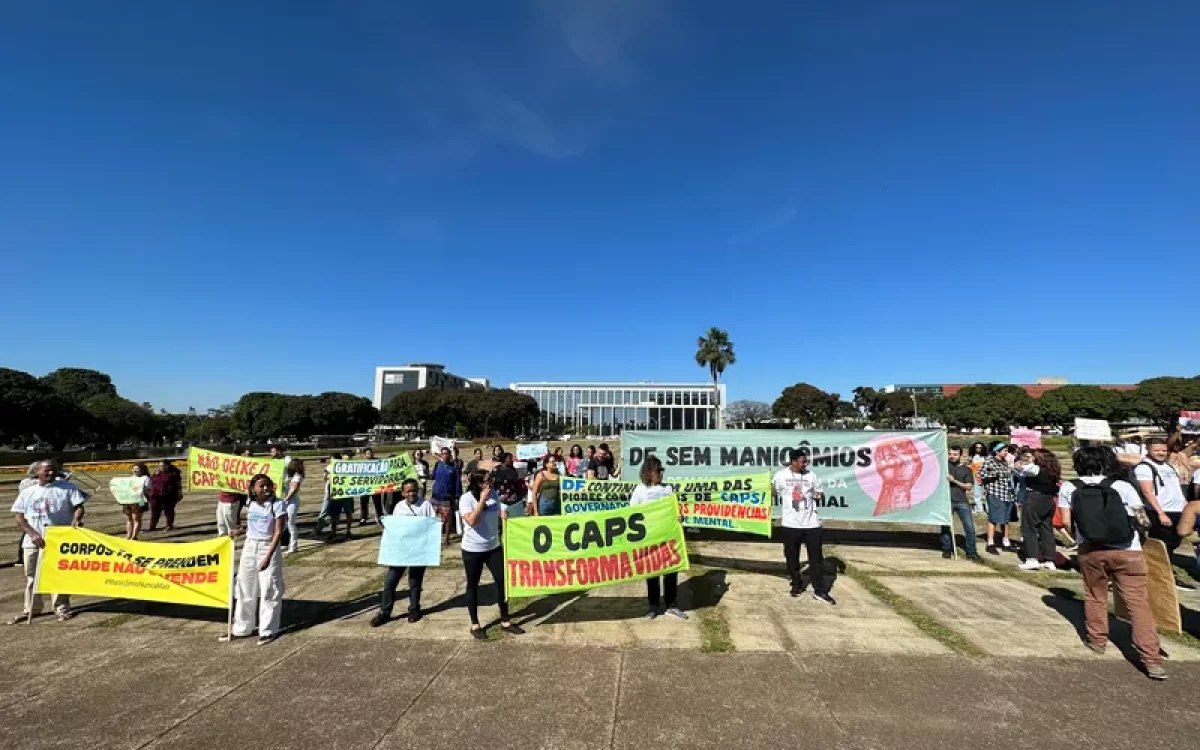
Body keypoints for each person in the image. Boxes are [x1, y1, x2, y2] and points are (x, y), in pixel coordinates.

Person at [1059, 447, 1164, 680]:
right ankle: (1151, 658)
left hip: (1091, 549)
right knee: (1137, 603)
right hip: (1128, 550)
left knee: (1095, 596)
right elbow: (1142, 519)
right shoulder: (1123, 486)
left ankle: (1097, 640)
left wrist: (1081, 536)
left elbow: (1066, 522)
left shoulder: (1070, 487)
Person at [9, 459, 87, 623]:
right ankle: (31, 609)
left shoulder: (68, 488)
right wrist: (32, 533)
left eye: (53, 470)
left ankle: (61, 608)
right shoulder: (28, 491)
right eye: (46, 470)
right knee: (32, 576)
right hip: (33, 539)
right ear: (37, 472)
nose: (51, 473)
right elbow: (19, 516)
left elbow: (78, 507)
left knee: (58, 574)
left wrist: (76, 519)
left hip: (59, 537)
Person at [459, 470, 524, 639]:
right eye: (488, 480)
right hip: (473, 549)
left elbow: (499, 508)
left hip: (493, 547)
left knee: (502, 582)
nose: (492, 482)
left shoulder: (494, 493)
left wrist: (504, 512)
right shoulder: (466, 499)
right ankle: (475, 624)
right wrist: (482, 500)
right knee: (472, 585)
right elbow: (472, 521)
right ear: (480, 484)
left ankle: (505, 620)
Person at [224, 473, 287, 645]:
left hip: (268, 546)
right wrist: (238, 530)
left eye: (268, 485)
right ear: (253, 489)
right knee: (244, 585)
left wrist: (268, 556)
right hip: (250, 546)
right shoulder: (250, 503)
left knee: (269, 588)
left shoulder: (278, 504)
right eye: (261, 486)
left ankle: (269, 629)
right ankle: (242, 627)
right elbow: (251, 525)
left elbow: (278, 532)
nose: (265, 488)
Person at [772, 449, 835, 605]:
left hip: (811, 524)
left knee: (816, 559)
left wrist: (817, 495)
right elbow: (773, 492)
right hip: (790, 524)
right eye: (803, 461)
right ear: (793, 462)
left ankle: (819, 591)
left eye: (806, 461)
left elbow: (819, 493)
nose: (806, 464)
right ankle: (796, 584)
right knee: (791, 557)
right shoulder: (781, 476)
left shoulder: (811, 476)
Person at [370, 479, 436, 626]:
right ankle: (385, 612)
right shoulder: (399, 507)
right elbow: (396, 528)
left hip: (418, 550)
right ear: (403, 493)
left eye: (413, 490)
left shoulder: (426, 505)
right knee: (390, 581)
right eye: (408, 491)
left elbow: (432, 526)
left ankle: (414, 609)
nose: (411, 493)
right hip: (402, 551)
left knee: (415, 581)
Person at [630, 455, 688, 619]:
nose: (661, 473)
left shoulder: (668, 489)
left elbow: (676, 510)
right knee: (652, 571)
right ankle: (653, 606)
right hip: (649, 537)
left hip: (668, 537)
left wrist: (680, 518)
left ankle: (671, 605)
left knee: (670, 570)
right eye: (658, 470)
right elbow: (631, 514)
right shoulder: (640, 490)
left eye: (662, 470)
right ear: (649, 472)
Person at [1135, 437, 1194, 591]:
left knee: (1173, 544)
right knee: (1162, 546)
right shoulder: (1144, 467)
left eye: (1163, 450)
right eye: (1157, 450)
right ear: (1148, 449)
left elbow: (1175, 487)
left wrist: (1185, 505)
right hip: (1161, 511)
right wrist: (1160, 513)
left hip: (1177, 510)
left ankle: (1165, 574)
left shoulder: (1168, 466)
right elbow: (1147, 491)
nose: (1161, 453)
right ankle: (1163, 576)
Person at [1014, 448, 1062, 571]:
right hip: (1049, 500)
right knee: (1046, 529)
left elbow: (1020, 468)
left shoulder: (1035, 469)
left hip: (1035, 498)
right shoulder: (1052, 471)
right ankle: (1049, 559)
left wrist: (1024, 460)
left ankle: (1032, 559)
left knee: (1029, 528)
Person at [940, 446, 979, 560]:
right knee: (946, 527)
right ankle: (946, 549)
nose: (952, 456)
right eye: (950, 454)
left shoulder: (966, 469)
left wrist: (954, 481)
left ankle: (971, 552)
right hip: (947, 501)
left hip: (962, 502)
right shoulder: (944, 466)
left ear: (960, 455)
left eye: (955, 454)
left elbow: (969, 486)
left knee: (969, 528)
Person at [976, 443, 1015, 555]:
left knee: (1006, 519)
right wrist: (995, 473)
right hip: (995, 493)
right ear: (997, 451)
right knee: (993, 518)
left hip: (1007, 495)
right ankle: (990, 543)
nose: (1006, 452)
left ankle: (1005, 542)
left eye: (1006, 450)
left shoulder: (1005, 462)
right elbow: (980, 474)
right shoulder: (989, 461)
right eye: (1004, 450)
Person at [431, 447, 463, 546]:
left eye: (446, 453)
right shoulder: (437, 465)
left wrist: (457, 496)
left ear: (449, 455)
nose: (444, 455)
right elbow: (433, 476)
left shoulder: (454, 467)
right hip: (435, 496)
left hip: (447, 497)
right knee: (433, 518)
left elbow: (458, 482)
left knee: (448, 519)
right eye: (443, 453)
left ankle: (447, 539)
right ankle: (434, 537)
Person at [147, 459, 183, 531]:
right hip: (155, 495)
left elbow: (178, 485)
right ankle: (152, 527)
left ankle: (169, 525)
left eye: (163, 465)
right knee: (154, 512)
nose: (162, 467)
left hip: (168, 495)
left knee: (169, 511)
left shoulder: (174, 474)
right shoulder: (156, 473)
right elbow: (151, 483)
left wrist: (179, 493)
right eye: (160, 465)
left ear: (168, 465)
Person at [281, 459, 304, 555]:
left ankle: (293, 546)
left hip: (292, 502)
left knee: (291, 523)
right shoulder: (290, 475)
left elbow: (293, 489)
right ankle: (283, 542)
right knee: (283, 523)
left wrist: (286, 499)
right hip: (286, 500)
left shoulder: (298, 476)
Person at [124, 462, 151, 540]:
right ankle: (128, 535)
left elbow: (147, 490)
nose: (135, 471)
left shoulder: (146, 478)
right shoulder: (131, 478)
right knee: (128, 518)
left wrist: (140, 490)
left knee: (136, 518)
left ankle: (134, 536)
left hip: (141, 500)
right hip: (129, 499)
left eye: (137, 469)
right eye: (134, 469)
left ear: (142, 470)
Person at [358, 448, 384, 525]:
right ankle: (363, 517)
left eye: (370, 453)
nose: (369, 454)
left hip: (375, 486)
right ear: (365, 455)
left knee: (377, 502)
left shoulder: (378, 461)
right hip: (365, 486)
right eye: (367, 453)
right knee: (363, 502)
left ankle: (379, 516)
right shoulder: (361, 464)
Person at [968, 442, 987, 513]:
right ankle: (979, 508)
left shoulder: (985, 457)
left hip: (984, 477)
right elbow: (971, 466)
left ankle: (986, 508)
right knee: (977, 493)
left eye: (980, 447)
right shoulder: (972, 457)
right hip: (976, 477)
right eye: (977, 447)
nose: (978, 449)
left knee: (986, 493)